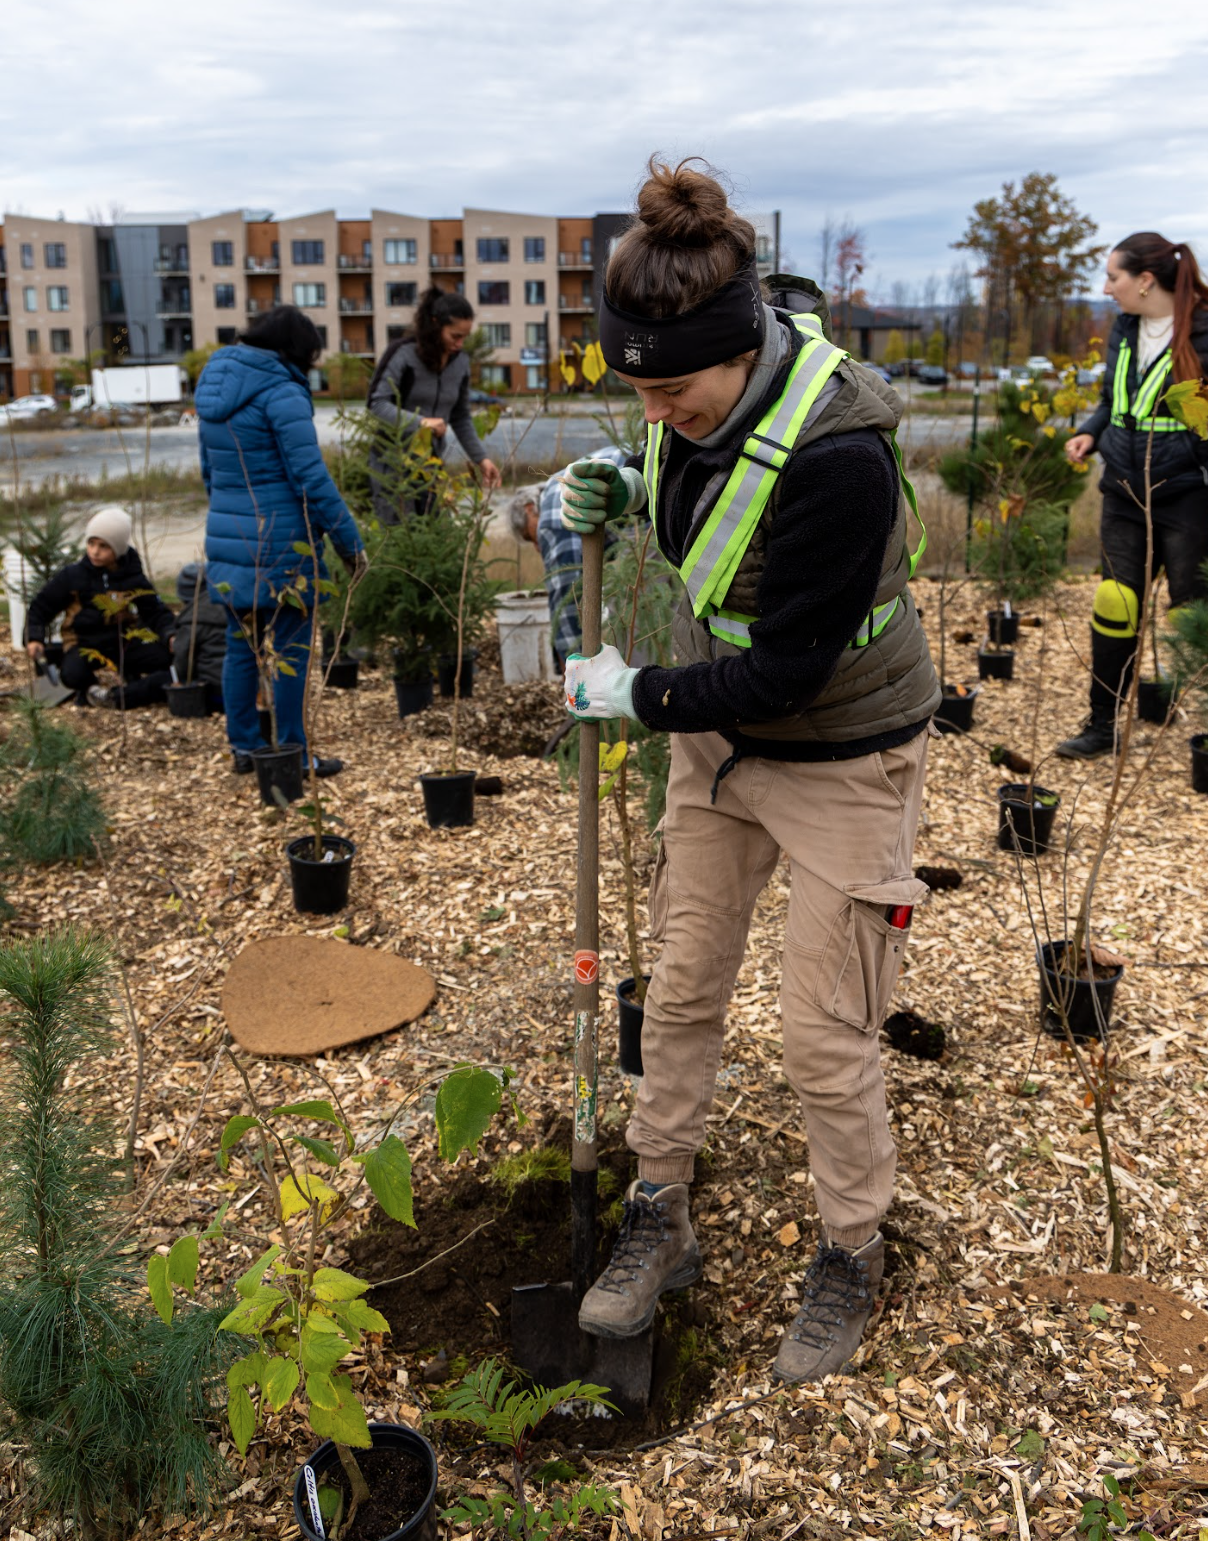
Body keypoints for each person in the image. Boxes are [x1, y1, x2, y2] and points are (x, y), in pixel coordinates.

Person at [559, 158, 940, 1384]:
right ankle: (657, 1208)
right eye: (640, 394)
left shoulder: (840, 456)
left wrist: (635, 696)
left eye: (674, 392)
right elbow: (700, 502)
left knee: (821, 1032)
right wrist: (625, 487)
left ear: (745, 349)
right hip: (719, 753)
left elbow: (782, 673)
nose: (659, 409)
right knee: (675, 992)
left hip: (840, 752)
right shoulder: (697, 398)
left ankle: (849, 1250)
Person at [1057, 233, 1208, 758]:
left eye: (1113, 277)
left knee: (1195, 617)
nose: (1105, 288)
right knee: (1114, 604)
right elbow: (1111, 397)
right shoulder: (1125, 326)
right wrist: (1093, 430)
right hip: (1123, 492)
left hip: (1191, 499)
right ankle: (1101, 726)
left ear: (1145, 280)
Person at [196, 305, 365, 775]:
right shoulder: (281, 390)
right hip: (283, 542)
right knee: (290, 647)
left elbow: (210, 472)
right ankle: (293, 753)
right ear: (295, 351)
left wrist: (234, 520)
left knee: (241, 644)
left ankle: (246, 749)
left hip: (228, 536)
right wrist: (350, 543)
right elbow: (310, 478)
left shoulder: (212, 383)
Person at [366, 286, 503, 519]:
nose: (460, 343)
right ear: (435, 324)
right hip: (392, 468)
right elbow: (376, 404)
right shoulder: (402, 354)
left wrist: (481, 459)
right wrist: (421, 423)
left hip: (432, 469)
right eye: (455, 336)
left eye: (464, 337)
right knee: (400, 536)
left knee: (435, 531)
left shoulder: (460, 364)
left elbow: (460, 417)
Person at [25, 507, 175, 708]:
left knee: (166, 658)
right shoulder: (73, 576)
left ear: (119, 549)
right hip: (83, 643)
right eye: (91, 543)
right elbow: (41, 607)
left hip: (123, 641)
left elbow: (155, 612)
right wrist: (34, 637)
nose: (95, 551)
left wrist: (170, 634)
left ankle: (125, 686)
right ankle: (92, 691)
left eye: (104, 546)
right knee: (72, 675)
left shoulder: (133, 578)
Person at [507, 446, 630, 672]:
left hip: (650, 509)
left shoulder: (552, 520)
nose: (536, 546)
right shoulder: (559, 486)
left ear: (528, 509)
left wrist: (572, 664)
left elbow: (566, 593)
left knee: (633, 615)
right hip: (653, 474)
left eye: (529, 536)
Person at [171, 562, 229, 709]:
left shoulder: (192, 620)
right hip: (241, 690)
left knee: (155, 681)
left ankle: (117, 695)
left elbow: (183, 659)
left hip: (211, 692)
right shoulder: (232, 610)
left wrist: (181, 683)